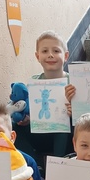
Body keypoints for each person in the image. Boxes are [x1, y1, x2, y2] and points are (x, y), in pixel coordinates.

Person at [13, 30, 71, 163]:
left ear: (66, 56)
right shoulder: (34, 83)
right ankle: (33, 164)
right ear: (37, 56)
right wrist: (27, 119)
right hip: (41, 134)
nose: (50, 55)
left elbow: (83, 115)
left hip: (66, 137)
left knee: (62, 124)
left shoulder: (73, 82)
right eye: (45, 51)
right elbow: (32, 111)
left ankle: (58, 164)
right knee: (14, 127)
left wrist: (74, 112)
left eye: (56, 51)